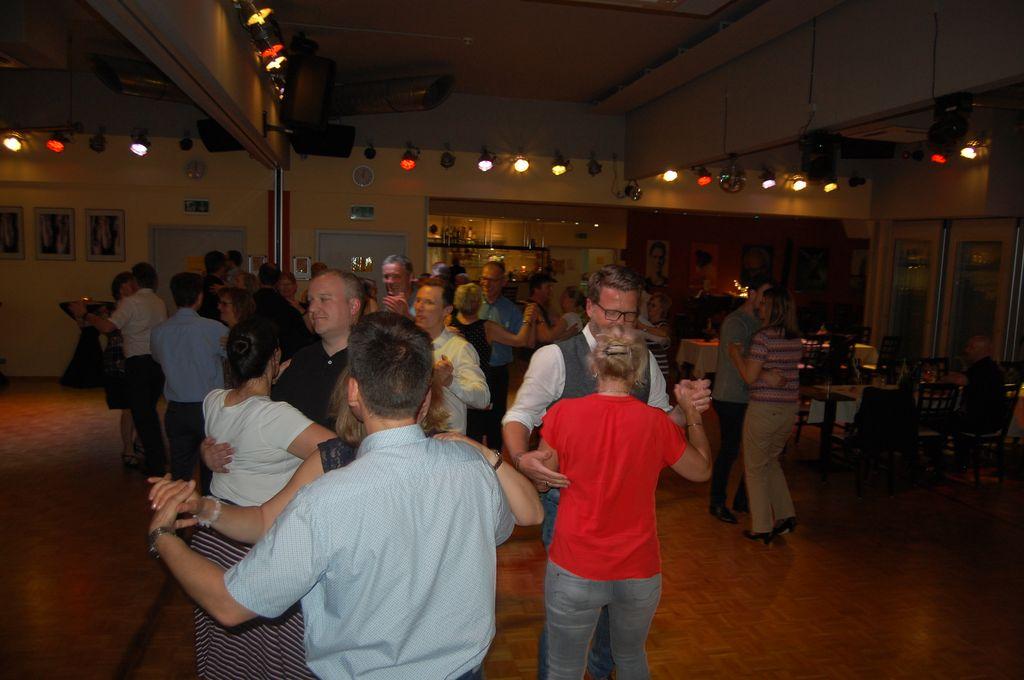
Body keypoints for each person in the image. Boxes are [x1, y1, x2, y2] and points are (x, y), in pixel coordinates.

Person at [146, 313, 537, 679]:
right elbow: (502, 528)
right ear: (425, 399)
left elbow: (230, 604)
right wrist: (206, 508)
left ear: (353, 392)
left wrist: (163, 536)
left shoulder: (325, 500)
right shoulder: (471, 469)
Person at [504, 264, 712, 680]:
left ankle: (600, 672)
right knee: (577, 637)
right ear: (590, 307)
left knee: (595, 635)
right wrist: (522, 458)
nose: (620, 323)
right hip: (572, 511)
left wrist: (685, 407)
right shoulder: (555, 356)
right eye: (612, 312)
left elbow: (659, 421)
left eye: (630, 314)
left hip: (609, 528)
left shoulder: (641, 360)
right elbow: (520, 416)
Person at [190, 316, 336, 678]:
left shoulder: (213, 400)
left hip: (214, 535)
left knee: (230, 652)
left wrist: (204, 454)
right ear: (275, 358)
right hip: (257, 540)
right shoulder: (275, 416)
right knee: (275, 651)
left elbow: (229, 438)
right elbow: (336, 451)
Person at [71, 262, 168, 476]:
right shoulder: (158, 301)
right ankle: (157, 459)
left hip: (138, 364)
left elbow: (107, 327)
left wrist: (85, 314)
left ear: (135, 280)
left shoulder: (131, 302)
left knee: (142, 415)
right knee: (148, 413)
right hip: (156, 364)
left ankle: (156, 465)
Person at [728, 287, 802, 544]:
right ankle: (785, 515)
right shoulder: (795, 339)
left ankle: (761, 527)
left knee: (755, 469)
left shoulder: (763, 338)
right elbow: (769, 373)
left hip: (764, 409)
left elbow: (748, 376)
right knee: (771, 462)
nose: (760, 307)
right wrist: (766, 372)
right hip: (788, 410)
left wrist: (736, 355)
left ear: (772, 308)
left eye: (764, 304)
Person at [151, 272, 228, 494]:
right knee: (211, 473)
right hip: (208, 409)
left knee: (179, 473)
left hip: (176, 410)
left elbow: (157, 358)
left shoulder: (159, 331)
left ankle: (176, 513)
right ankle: (208, 512)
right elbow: (231, 355)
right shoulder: (214, 328)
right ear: (200, 296)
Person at [707, 279, 771, 524]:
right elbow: (743, 361)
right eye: (763, 295)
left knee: (753, 449)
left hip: (749, 395)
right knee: (730, 450)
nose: (766, 301)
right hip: (730, 395)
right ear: (752, 293)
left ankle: (742, 500)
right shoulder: (736, 322)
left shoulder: (760, 321)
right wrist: (768, 374)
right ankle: (717, 502)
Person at [452, 282, 537, 443]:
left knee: (461, 431)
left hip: (455, 384)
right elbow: (520, 340)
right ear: (478, 303)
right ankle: (493, 457)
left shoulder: (449, 324)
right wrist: (527, 320)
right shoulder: (486, 327)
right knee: (488, 429)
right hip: (480, 384)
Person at [414, 278, 490, 433]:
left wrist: (450, 381)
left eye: (429, 302)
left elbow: (483, 398)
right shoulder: (409, 345)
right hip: (413, 435)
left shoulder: (459, 348)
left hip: (445, 438)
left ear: (447, 310)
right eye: (418, 300)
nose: (419, 307)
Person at [479, 260, 525, 449]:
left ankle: (496, 458)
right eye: (483, 279)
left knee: (496, 418)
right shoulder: (472, 303)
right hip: (474, 370)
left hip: (498, 371)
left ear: (503, 282)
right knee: (474, 417)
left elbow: (521, 339)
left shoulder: (510, 310)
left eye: (492, 280)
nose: (486, 284)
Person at [947, 335, 1007, 472]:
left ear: (981, 350)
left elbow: (961, 380)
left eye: (971, 347)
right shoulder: (992, 368)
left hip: (980, 422)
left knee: (940, 420)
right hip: (995, 421)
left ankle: (950, 461)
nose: (966, 350)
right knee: (952, 418)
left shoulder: (981, 368)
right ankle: (962, 458)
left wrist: (945, 377)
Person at [102, 271, 139, 466]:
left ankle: (138, 443)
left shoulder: (138, 306)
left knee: (140, 406)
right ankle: (128, 448)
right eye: (128, 285)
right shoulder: (111, 310)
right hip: (118, 362)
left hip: (135, 361)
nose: (132, 288)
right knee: (128, 408)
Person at [253, 263, 314, 360]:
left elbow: (313, 331)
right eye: (282, 284)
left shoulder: (305, 307)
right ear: (277, 286)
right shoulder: (273, 305)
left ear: (295, 286)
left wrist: (301, 310)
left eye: (288, 284)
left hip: (301, 353)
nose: (285, 287)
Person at [636, 291, 672, 384]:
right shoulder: (646, 322)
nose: (649, 307)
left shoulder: (663, 324)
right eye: (649, 304)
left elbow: (664, 333)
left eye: (653, 305)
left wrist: (642, 326)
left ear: (661, 309)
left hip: (659, 368)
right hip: (646, 367)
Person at [529, 272, 570, 345]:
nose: (551, 290)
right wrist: (569, 333)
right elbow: (545, 338)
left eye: (551, 287)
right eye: (548, 287)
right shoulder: (532, 308)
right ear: (536, 289)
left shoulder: (544, 307)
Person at [381, 253, 416, 317]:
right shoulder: (391, 302)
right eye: (386, 277)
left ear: (410, 277)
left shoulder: (421, 302)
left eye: (396, 276)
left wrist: (406, 315)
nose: (390, 281)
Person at [198, 250, 228, 320]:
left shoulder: (201, 281)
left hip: (202, 319)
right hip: (216, 321)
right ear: (222, 266)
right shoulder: (219, 285)